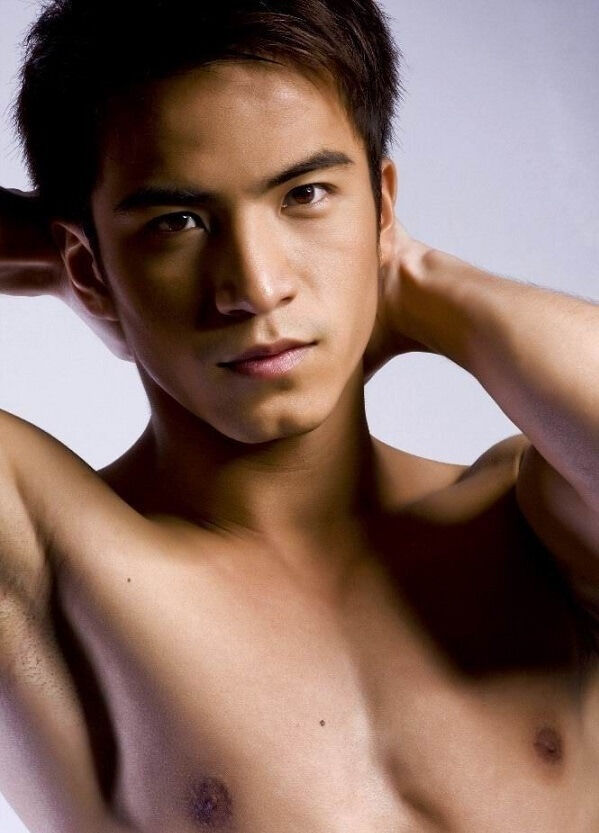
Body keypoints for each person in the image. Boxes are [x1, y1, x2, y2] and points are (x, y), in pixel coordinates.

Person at [0, 0, 597, 830]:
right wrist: (66, 260)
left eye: (305, 194)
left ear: (380, 208)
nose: (255, 284)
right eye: (177, 221)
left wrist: (417, 277)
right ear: (88, 265)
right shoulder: (49, 557)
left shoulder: (532, 522)